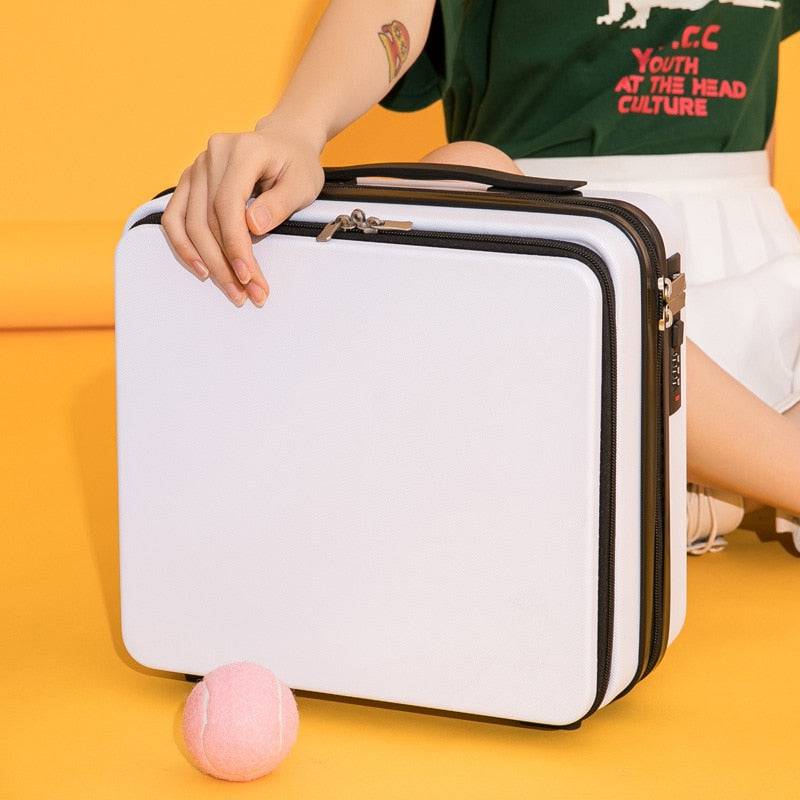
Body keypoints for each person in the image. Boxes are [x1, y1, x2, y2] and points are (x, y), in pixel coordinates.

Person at [161, 0, 800, 555]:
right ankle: (744, 479)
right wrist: (296, 127)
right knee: (461, 174)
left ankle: (685, 481)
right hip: (555, 249)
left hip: (751, 248)